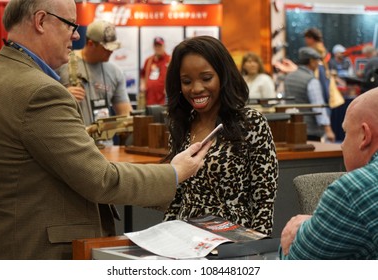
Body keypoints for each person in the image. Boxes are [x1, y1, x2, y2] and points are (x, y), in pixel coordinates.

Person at [0, 0, 211, 260]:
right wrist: (174, 172)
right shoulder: (41, 92)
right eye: (70, 25)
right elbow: (100, 180)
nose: (75, 34)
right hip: (40, 251)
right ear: (40, 21)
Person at [162, 36, 279, 235]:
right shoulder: (180, 125)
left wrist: (258, 246)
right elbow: (177, 197)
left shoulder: (250, 123)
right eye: (186, 81)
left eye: (206, 78)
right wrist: (163, 235)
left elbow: (264, 196)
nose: (196, 88)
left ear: (223, 76)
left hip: (232, 237)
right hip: (185, 236)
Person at [280, 87, 378, 259]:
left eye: (346, 133)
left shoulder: (352, 190)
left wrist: (300, 231)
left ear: (365, 136)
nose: (342, 144)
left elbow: (295, 263)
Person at [56, 20, 132, 126]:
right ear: (91, 44)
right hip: (75, 139)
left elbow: (126, 114)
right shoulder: (62, 63)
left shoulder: (115, 72)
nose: (111, 52)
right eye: (106, 48)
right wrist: (64, 96)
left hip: (106, 141)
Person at [284, 47, 336, 142]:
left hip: (291, 126)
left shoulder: (289, 77)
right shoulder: (311, 80)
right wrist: (328, 130)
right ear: (311, 61)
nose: (318, 64)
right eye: (317, 61)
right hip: (310, 130)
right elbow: (318, 106)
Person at [140, 36, 171, 106]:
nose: (158, 48)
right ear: (153, 47)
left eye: (160, 46)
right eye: (156, 46)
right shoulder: (148, 60)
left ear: (164, 46)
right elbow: (142, 75)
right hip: (149, 99)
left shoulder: (170, 59)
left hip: (164, 99)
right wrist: (142, 85)